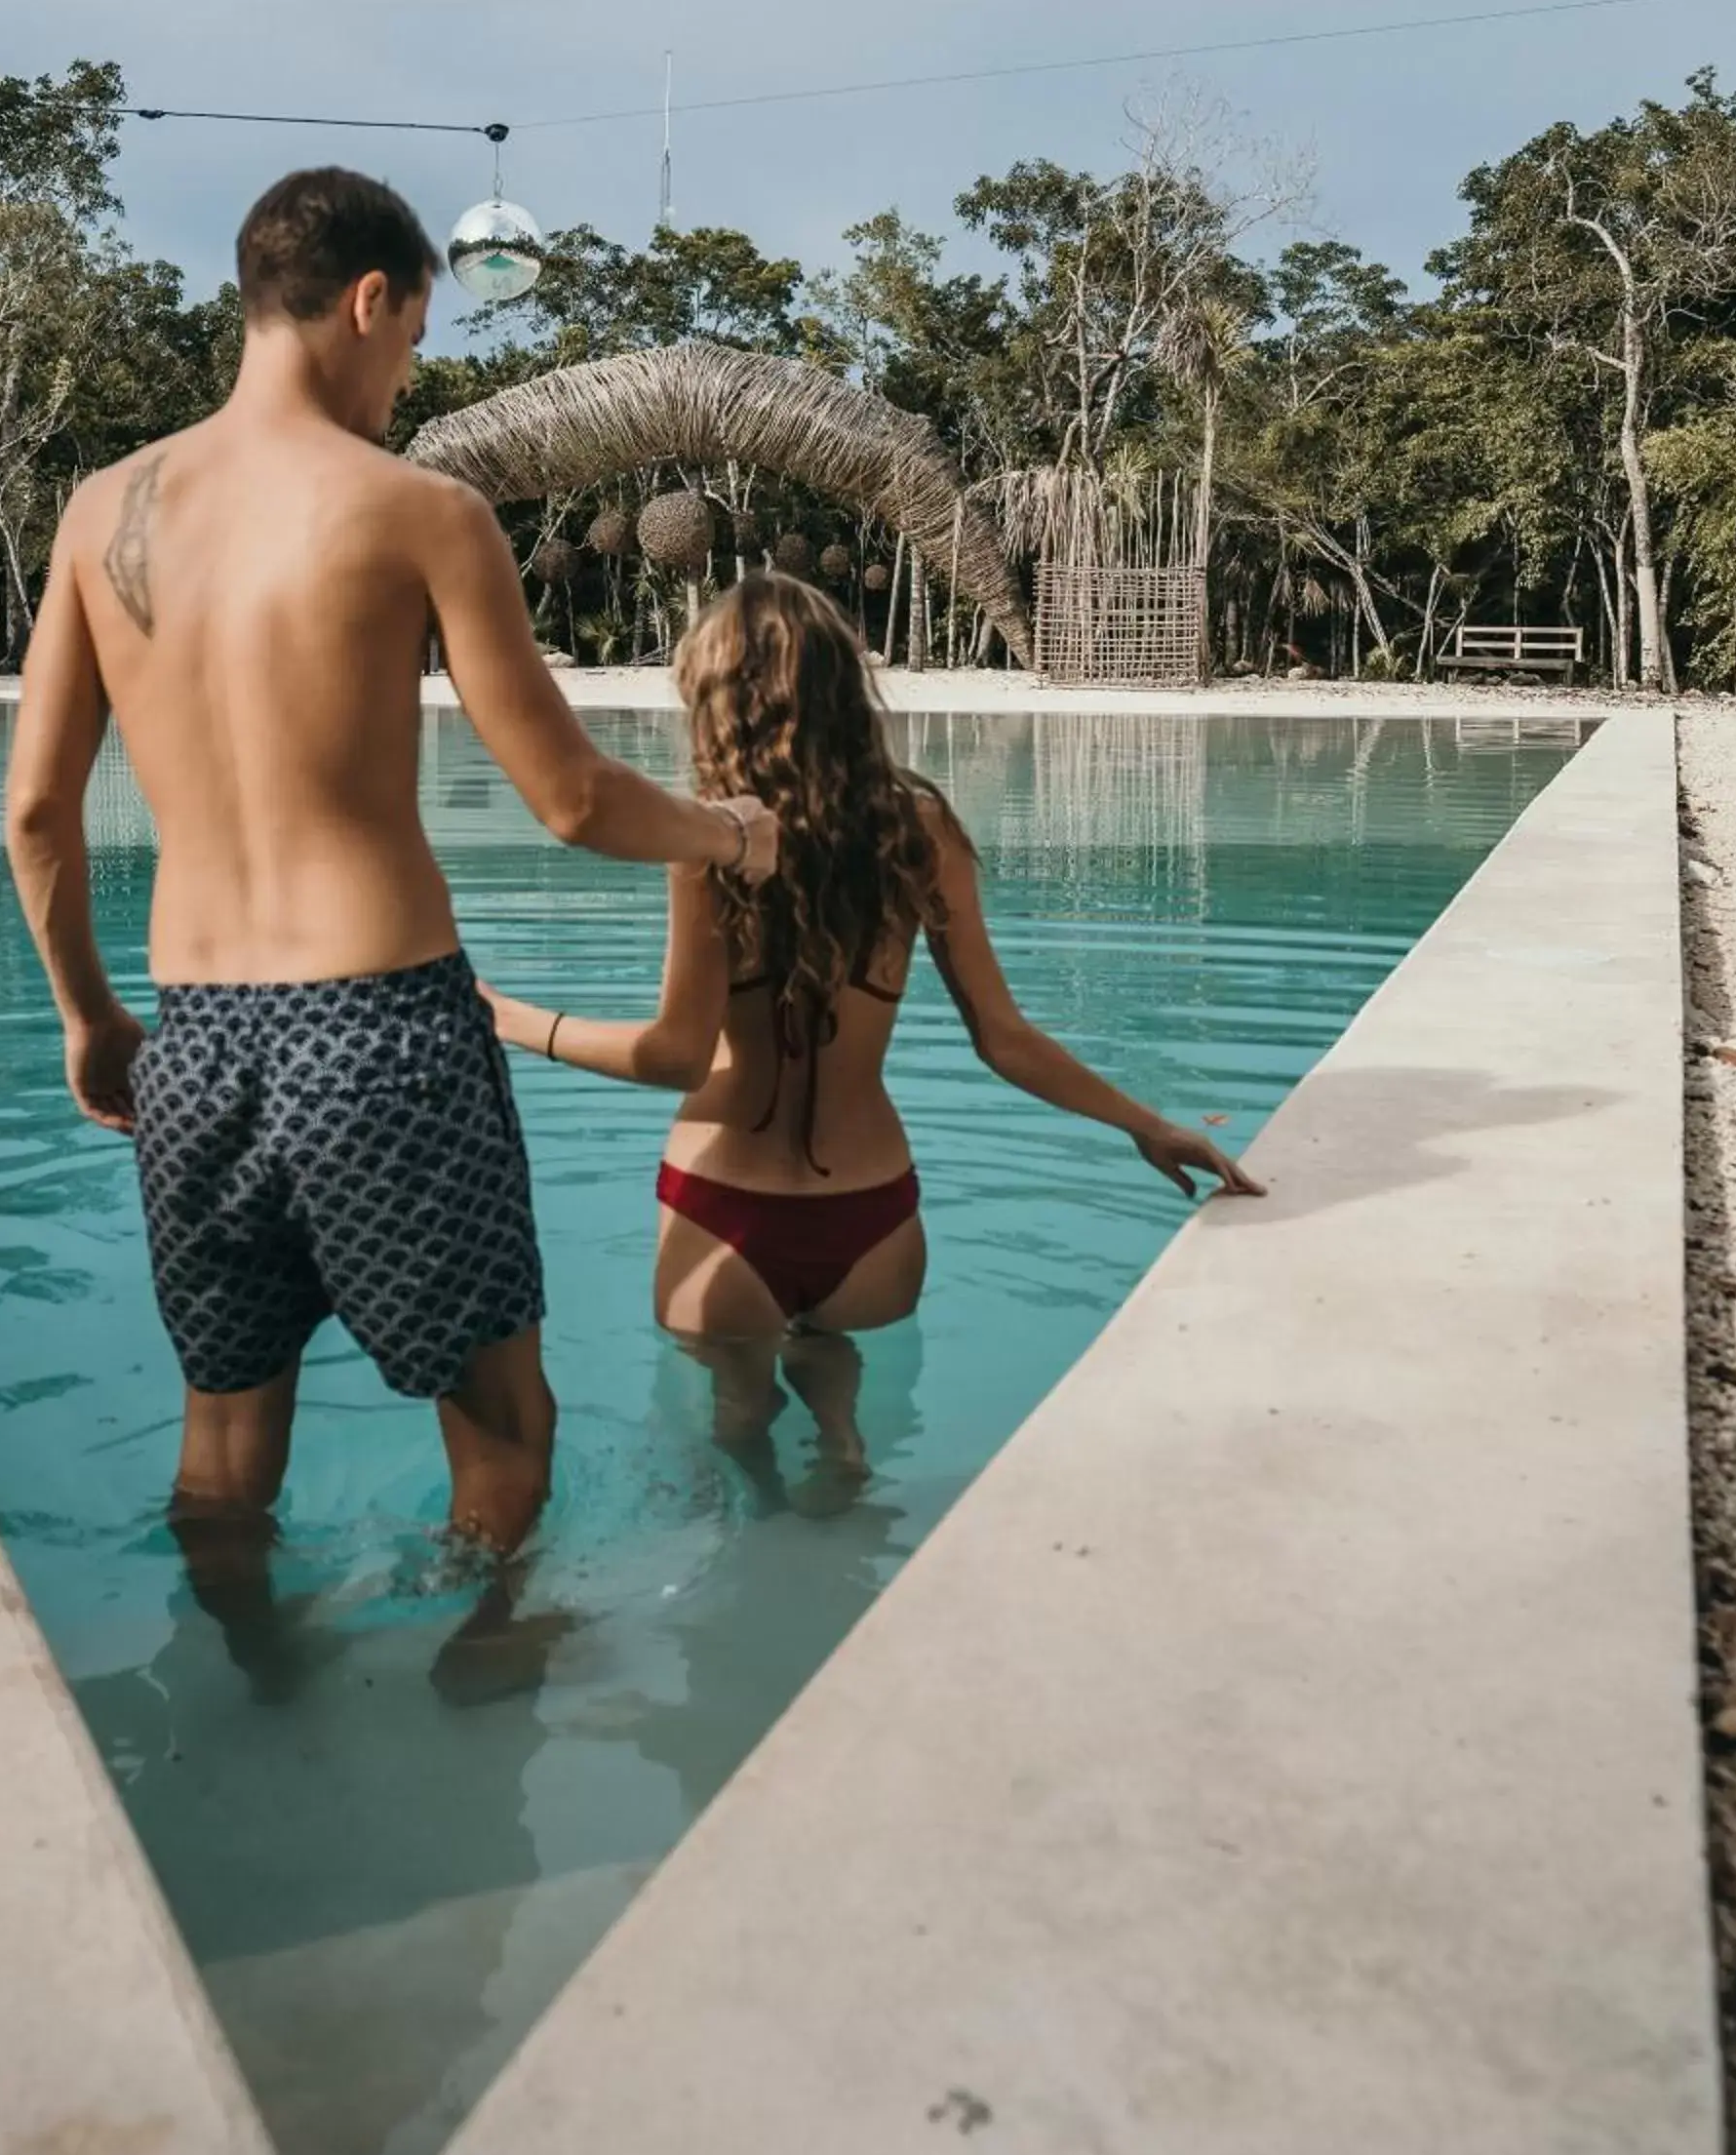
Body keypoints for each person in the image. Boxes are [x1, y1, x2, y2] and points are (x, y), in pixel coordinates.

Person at [2, 166, 778, 1653]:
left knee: (225, 1438)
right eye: (413, 343)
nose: (405, 377)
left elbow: (36, 812)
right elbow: (571, 799)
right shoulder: (419, 509)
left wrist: (91, 1015)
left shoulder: (104, 515)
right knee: (503, 1423)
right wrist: (728, 835)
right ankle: (486, 1663)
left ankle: (255, 1681)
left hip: (198, 1036)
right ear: (369, 301)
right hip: (381, 1032)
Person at [479, 573, 1262, 1486]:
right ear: (846, 688)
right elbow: (1004, 1038)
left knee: (730, 1453)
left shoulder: (703, 843)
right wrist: (1148, 1124)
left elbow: (675, 1055)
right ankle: (843, 1461)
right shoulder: (919, 828)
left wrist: (509, 1017)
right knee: (844, 1446)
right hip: (873, 1217)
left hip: (723, 1208)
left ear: (716, 701)